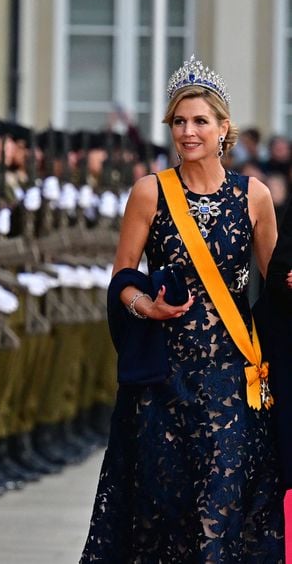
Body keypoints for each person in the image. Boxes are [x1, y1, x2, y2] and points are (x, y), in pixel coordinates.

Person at [80, 56, 284, 562]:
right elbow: (122, 278)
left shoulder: (254, 196)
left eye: (200, 121)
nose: (188, 132)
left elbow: (277, 285)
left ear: (223, 128)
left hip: (233, 383)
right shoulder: (150, 192)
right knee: (162, 517)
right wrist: (143, 304)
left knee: (220, 515)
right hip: (163, 383)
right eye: (179, 121)